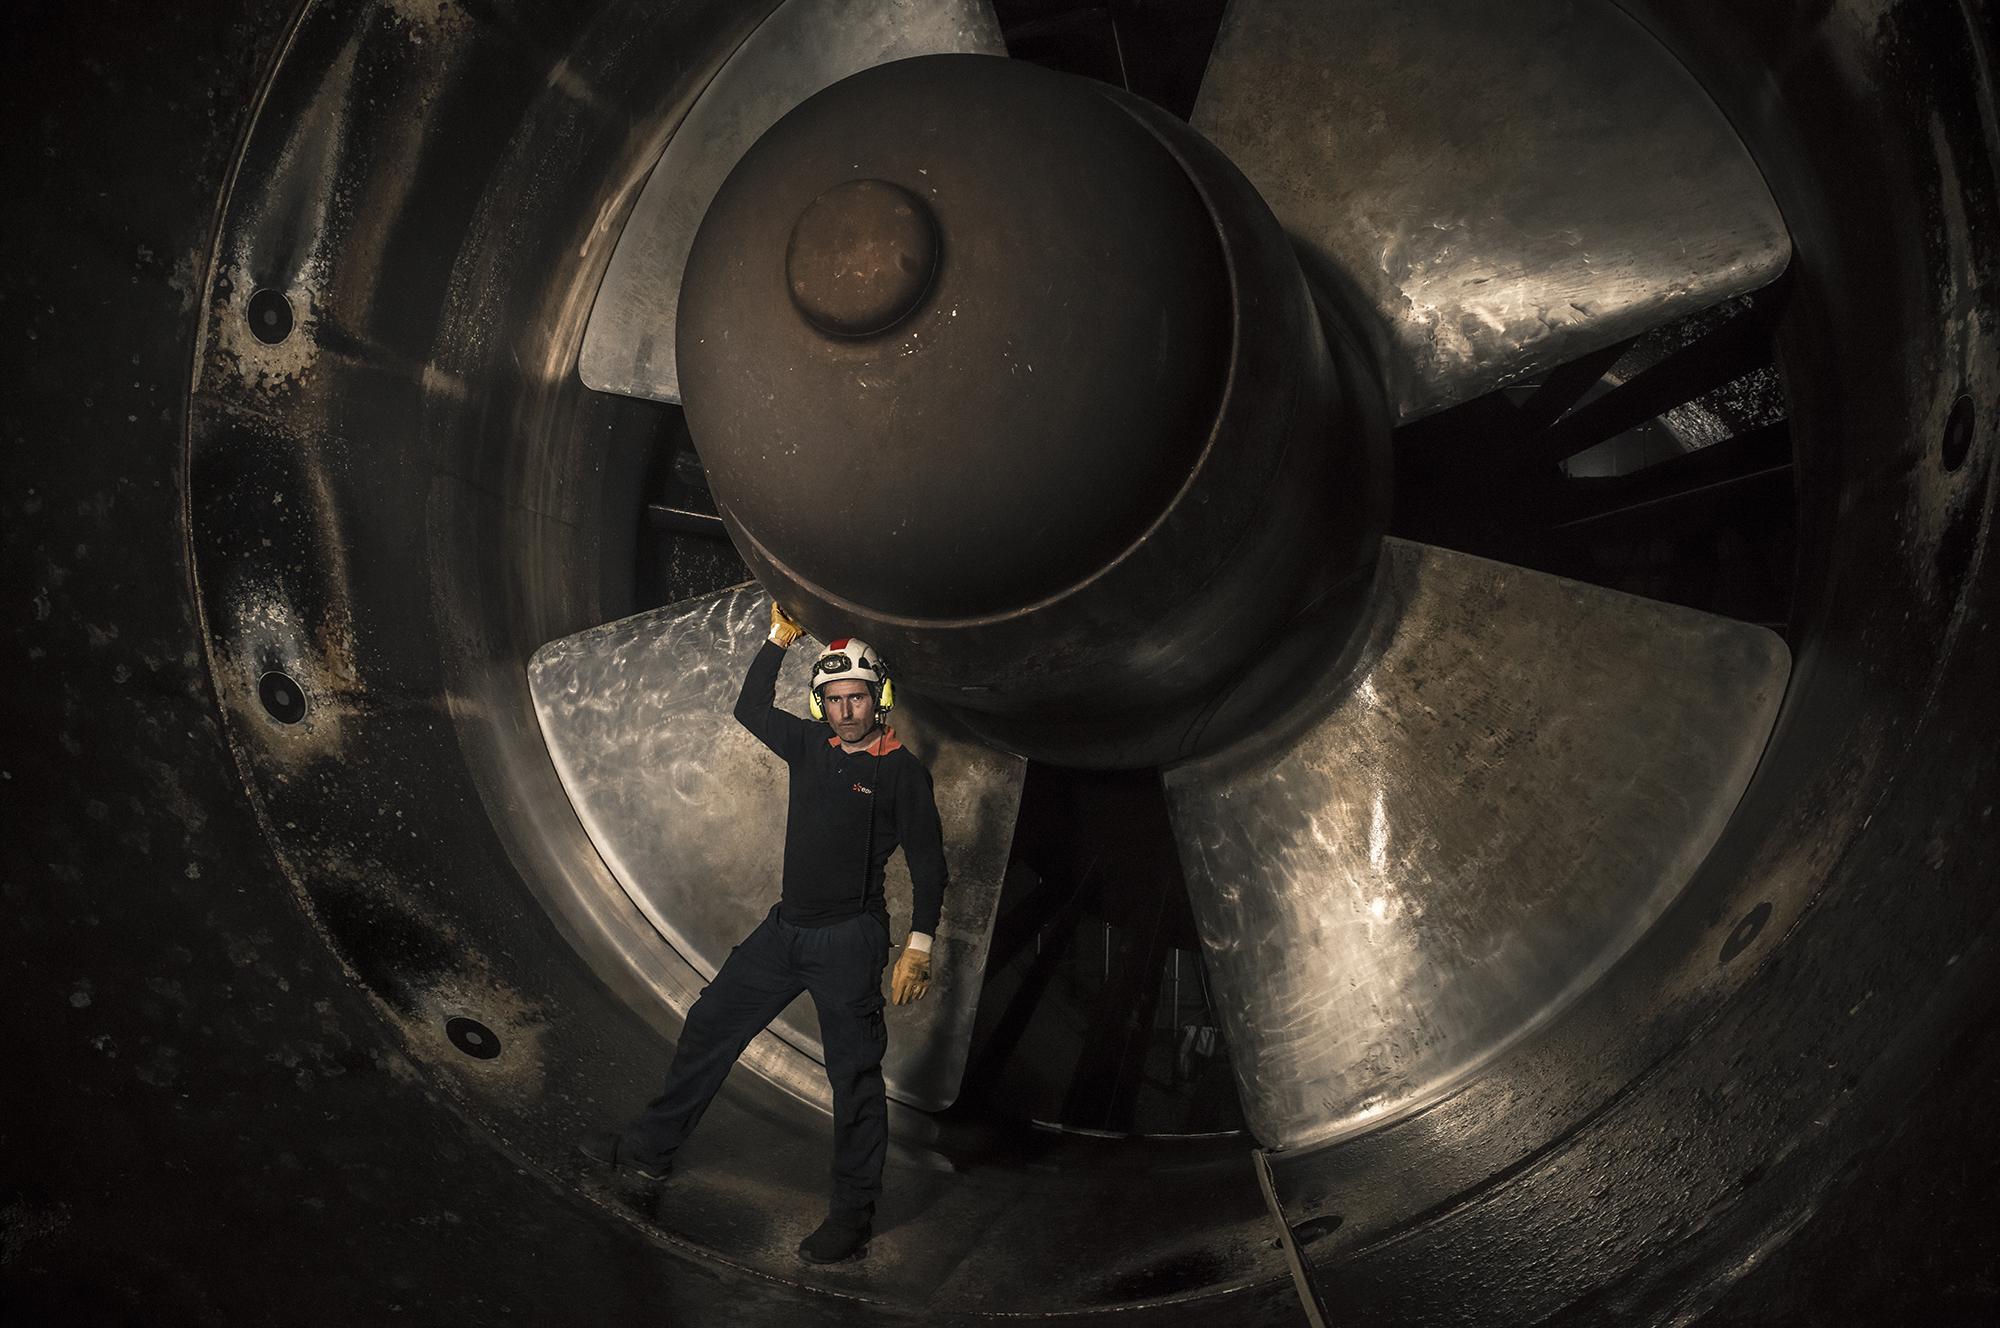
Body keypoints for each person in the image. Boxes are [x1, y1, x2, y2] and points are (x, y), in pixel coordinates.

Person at [579, 601, 947, 1265]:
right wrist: (779, 640)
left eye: (856, 698)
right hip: (786, 932)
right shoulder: (807, 745)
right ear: (820, 706)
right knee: (710, 1025)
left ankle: (853, 1220)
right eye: (832, 699)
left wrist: (919, 946)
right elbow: (749, 708)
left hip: (849, 941)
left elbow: (931, 866)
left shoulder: (902, 774)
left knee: (855, 1081)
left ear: (879, 699)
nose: (845, 710)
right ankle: (648, 1153)